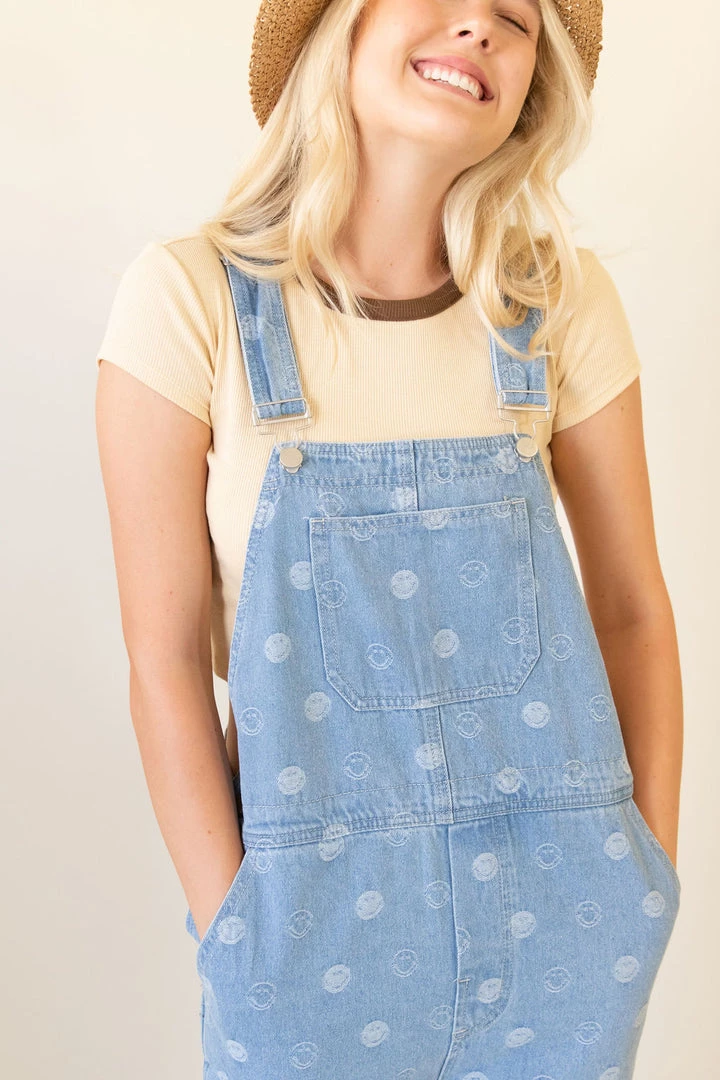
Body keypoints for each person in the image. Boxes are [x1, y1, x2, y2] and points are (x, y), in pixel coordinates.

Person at [95, 1, 684, 1076]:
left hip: (567, 931)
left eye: (515, 20)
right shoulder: (189, 300)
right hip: (302, 939)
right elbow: (163, 658)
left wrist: (642, 882)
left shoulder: (555, 303)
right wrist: (237, 930)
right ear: (341, 26)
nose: (479, 29)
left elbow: (633, 610)